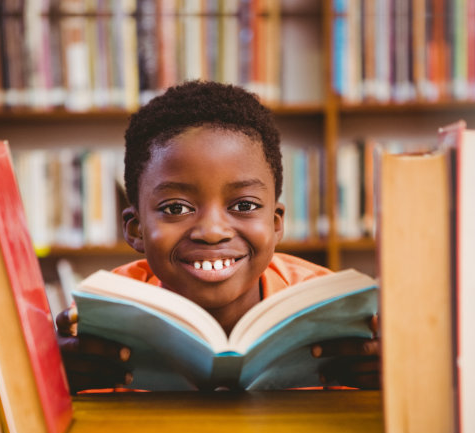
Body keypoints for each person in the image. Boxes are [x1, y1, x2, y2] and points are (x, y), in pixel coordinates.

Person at [55, 81, 379, 392]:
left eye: (244, 205)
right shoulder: (108, 313)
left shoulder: (326, 307)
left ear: (276, 223)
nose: (212, 232)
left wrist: (384, 375)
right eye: (175, 208)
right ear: (135, 229)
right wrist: (54, 375)